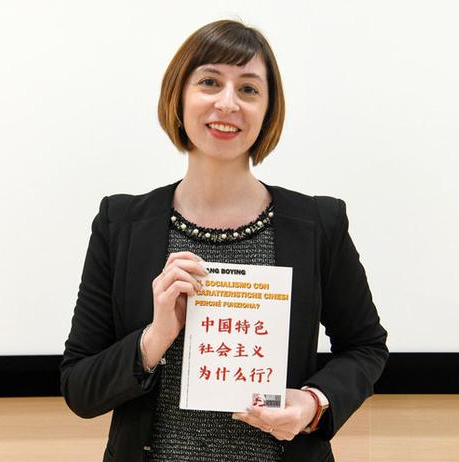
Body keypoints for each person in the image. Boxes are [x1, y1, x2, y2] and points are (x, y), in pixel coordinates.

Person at [60, 19, 388, 462]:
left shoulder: (318, 224)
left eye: (249, 89)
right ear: (179, 96)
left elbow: (366, 347)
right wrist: (155, 338)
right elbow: (79, 387)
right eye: (209, 82)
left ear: (269, 110)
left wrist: (314, 403)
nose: (227, 103)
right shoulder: (120, 224)